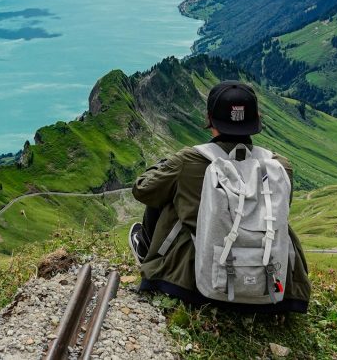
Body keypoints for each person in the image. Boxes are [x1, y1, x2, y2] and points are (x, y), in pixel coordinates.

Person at [129, 80, 311, 313]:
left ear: (209, 119)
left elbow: (143, 190)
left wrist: (164, 166)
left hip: (194, 285)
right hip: (272, 287)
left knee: (168, 193)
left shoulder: (189, 161)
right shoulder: (280, 167)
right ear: (256, 119)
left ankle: (148, 254)